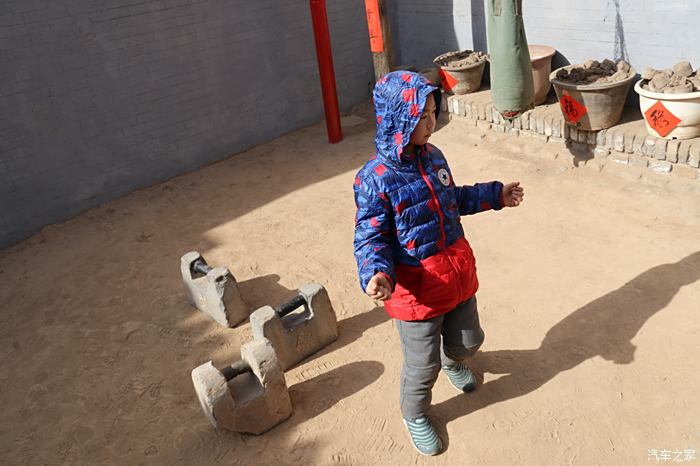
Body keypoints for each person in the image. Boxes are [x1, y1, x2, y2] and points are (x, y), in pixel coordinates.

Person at [353, 71, 524, 456]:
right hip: (417, 296)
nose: (431, 122)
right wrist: (376, 272)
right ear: (398, 120)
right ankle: (414, 413)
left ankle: (454, 361)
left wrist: (496, 194)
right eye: (421, 116)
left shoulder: (434, 157)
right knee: (421, 367)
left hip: (456, 277)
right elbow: (370, 237)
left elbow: (454, 199)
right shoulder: (374, 180)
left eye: (433, 112)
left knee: (469, 341)